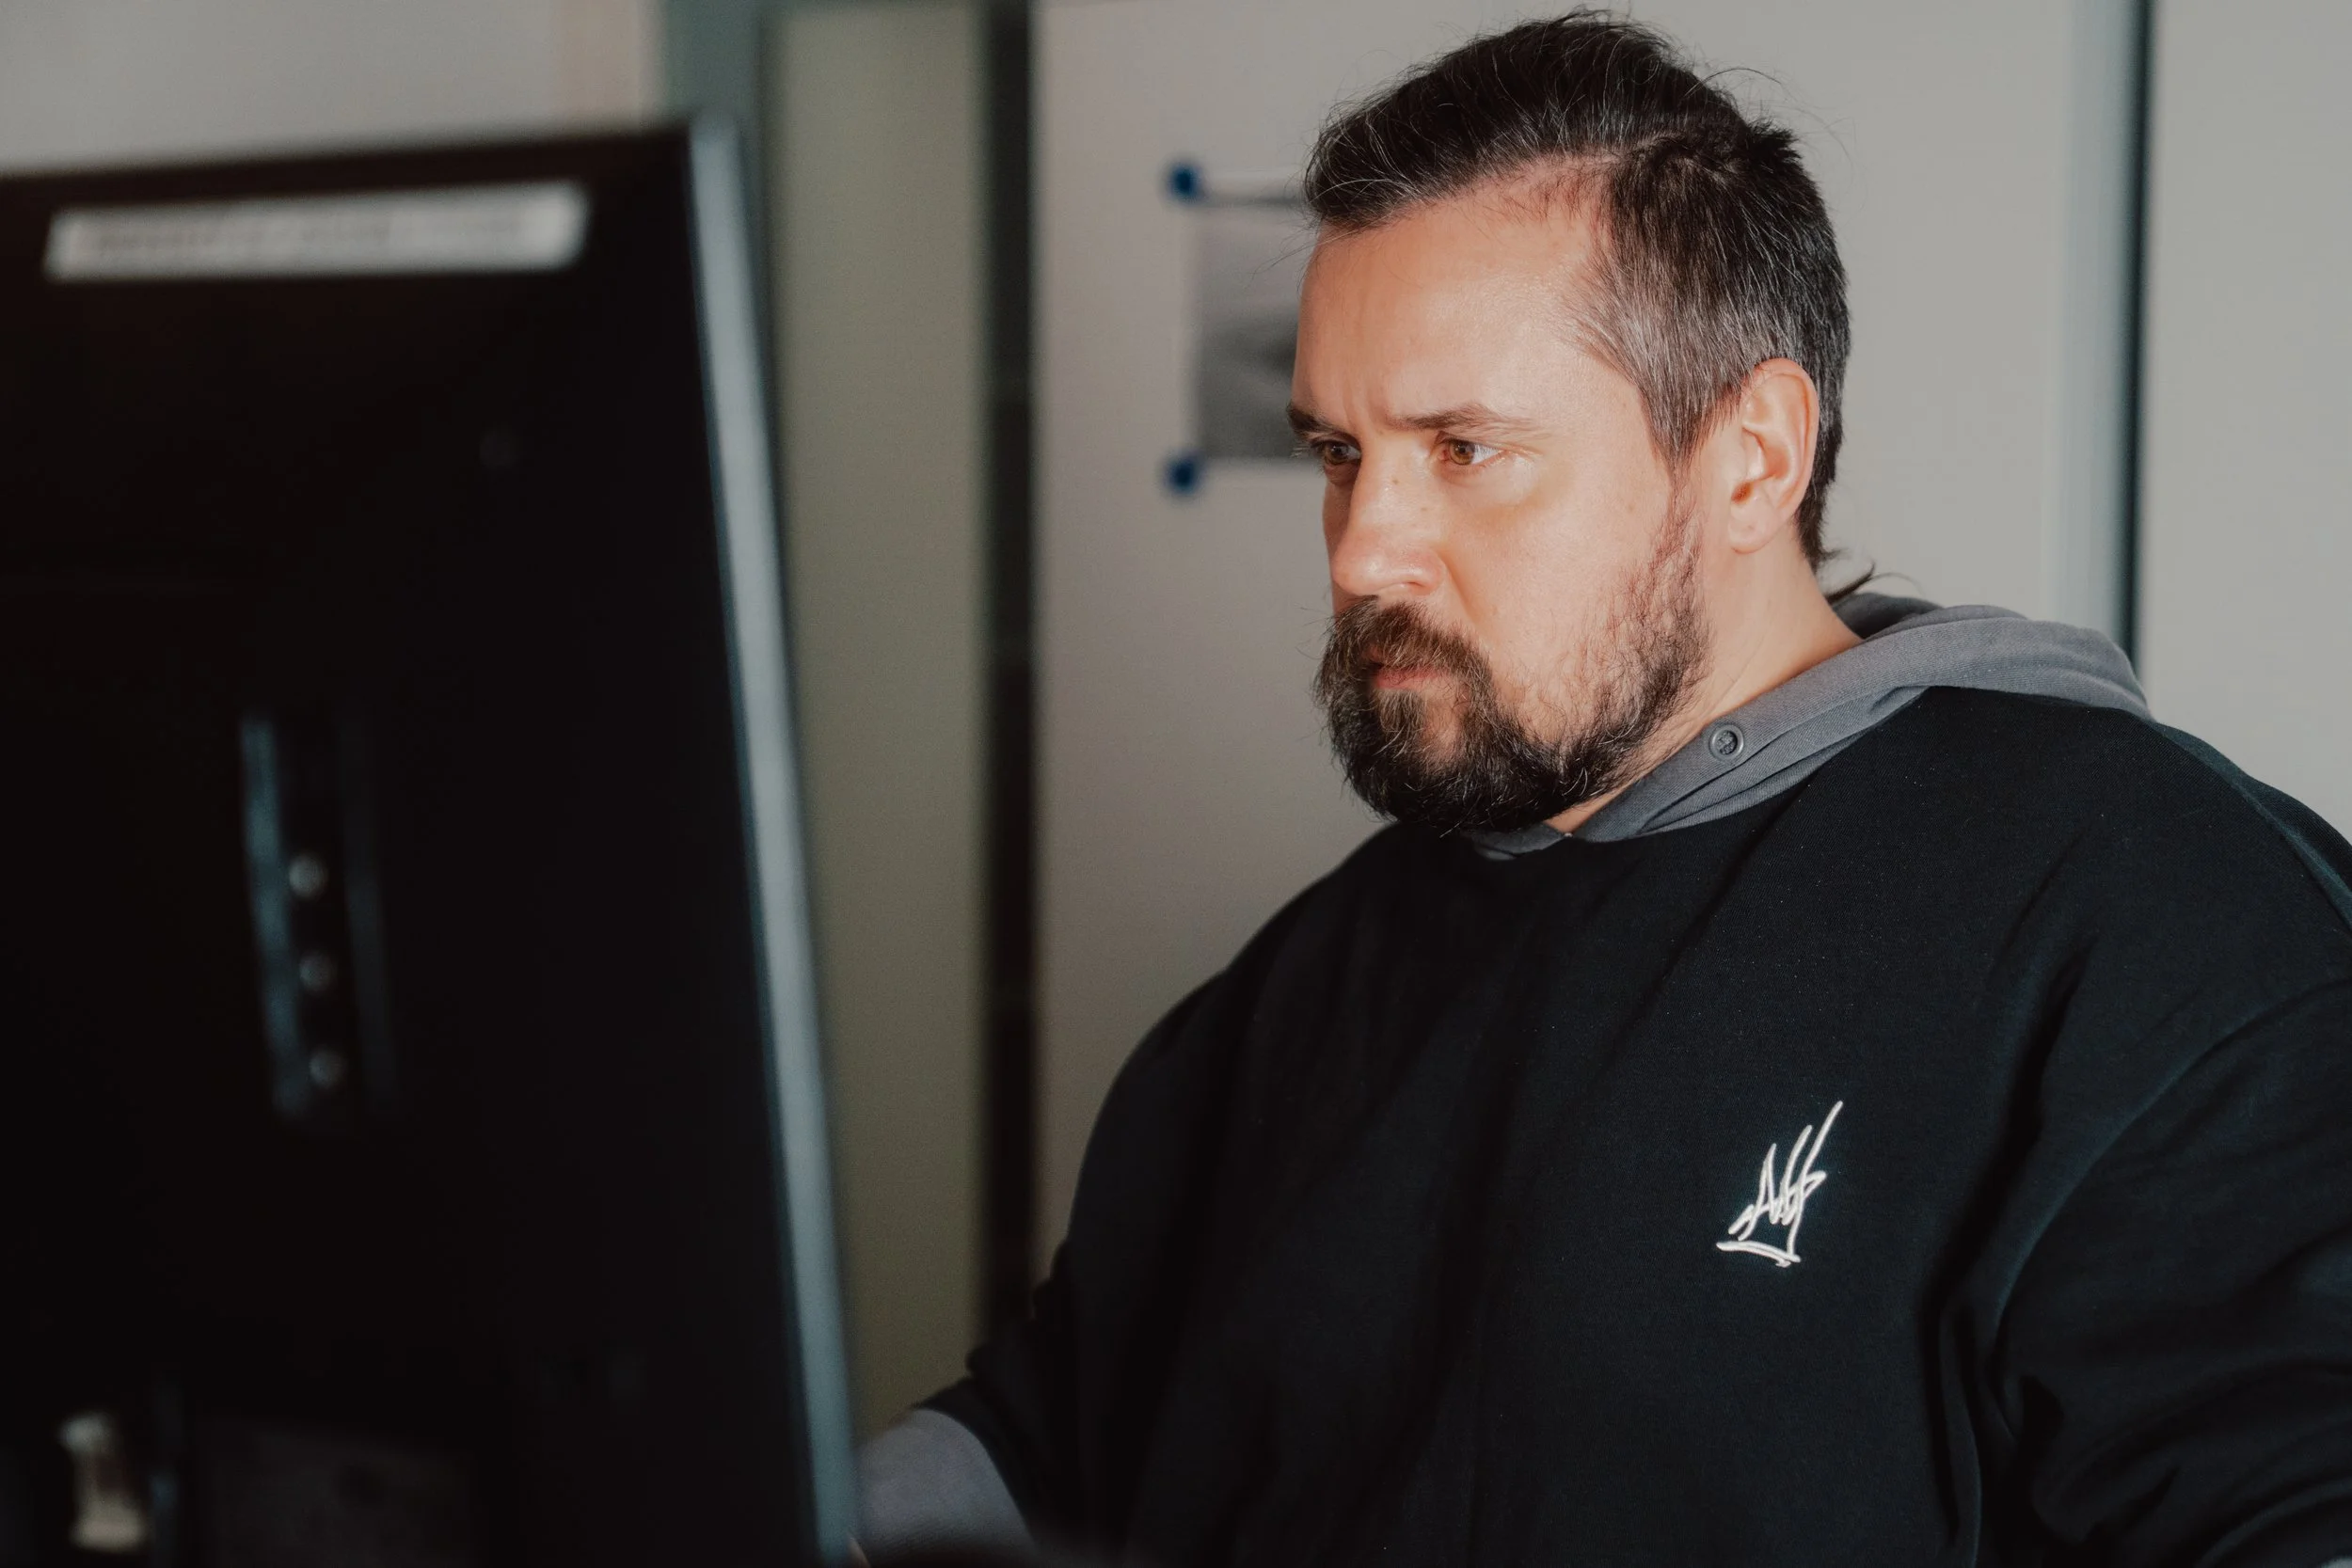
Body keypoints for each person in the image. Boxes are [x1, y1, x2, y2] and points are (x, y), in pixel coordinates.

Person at [857, 12, 2352, 1566]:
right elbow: (1051, 1432)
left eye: (1463, 447)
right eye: (1338, 454)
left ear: (1752, 458)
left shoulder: (2152, 924)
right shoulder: (1315, 976)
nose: (1364, 550)